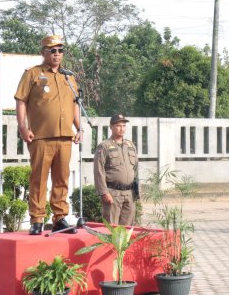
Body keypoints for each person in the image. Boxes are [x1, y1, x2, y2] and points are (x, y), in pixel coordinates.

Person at [15, 34, 82, 235]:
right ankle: (37, 219)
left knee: (62, 179)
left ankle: (60, 218)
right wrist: (23, 127)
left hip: (64, 137)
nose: (57, 54)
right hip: (41, 136)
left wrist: (79, 128)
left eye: (60, 50)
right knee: (39, 178)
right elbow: (21, 101)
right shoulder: (32, 74)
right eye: (52, 50)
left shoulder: (68, 77)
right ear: (43, 52)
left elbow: (74, 104)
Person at [93, 113, 139, 226]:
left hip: (129, 194)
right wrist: (104, 193)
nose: (121, 128)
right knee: (111, 229)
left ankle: (124, 245)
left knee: (127, 230)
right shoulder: (104, 146)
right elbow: (98, 171)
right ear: (111, 127)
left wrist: (137, 192)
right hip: (113, 193)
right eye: (118, 125)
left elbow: (136, 170)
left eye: (124, 125)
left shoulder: (131, 145)